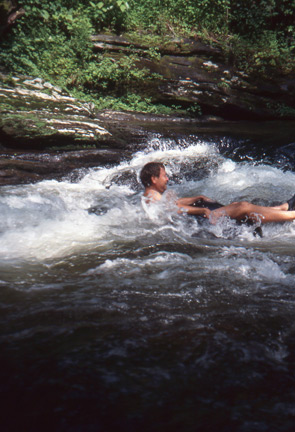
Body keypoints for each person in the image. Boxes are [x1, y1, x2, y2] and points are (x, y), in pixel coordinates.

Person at [140, 161, 295, 225]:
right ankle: (290, 214)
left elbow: (174, 204)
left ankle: (280, 209)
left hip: (194, 221)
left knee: (236, 206)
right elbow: (171, 210)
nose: (167, 179)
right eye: (164, 175)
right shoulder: (151, 197)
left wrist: (198, 197)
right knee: (242, 207)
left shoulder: (152, 196)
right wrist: (201, 209)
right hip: (199, 224)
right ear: (154, 179)